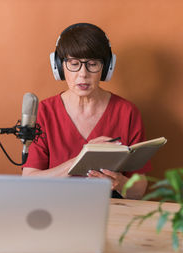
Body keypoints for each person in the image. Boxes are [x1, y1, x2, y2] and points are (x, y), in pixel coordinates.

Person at [22, 23, 151, 199]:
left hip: (111, 214)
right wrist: (81, 160)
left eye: (93, 64)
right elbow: (29, 182)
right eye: (74, 63)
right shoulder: (45, 111)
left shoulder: (127, 112)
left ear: (106, 68)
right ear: (59, 67)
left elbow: (138, 191)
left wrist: (119, 182)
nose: (83, 74)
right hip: (55, 210)